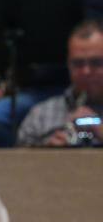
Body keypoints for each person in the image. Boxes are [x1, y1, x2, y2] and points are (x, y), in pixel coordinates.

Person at [17, 18, 103, 147]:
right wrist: (48, 152)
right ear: (68, 64)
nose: (86, 71)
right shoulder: (40, 115)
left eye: (96, 62)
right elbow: (16, 163)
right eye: (78, 64)